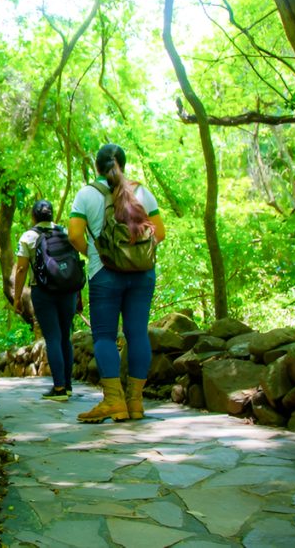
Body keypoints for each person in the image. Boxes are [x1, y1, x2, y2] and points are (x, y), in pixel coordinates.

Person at [67, 144, 166, 423]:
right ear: (124, 163)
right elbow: (160, 232)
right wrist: (134, 253)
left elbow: (75, 235)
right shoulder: (142, 192)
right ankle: (135, 403)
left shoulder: (88, 194)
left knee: (104, 337)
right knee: (137, 334)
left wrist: (96, 253)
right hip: (143, 274)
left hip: (105, 275)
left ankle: (114, 401)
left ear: (97, 167)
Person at [13, 199, 79, 402]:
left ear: (33, 216)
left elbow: (22, 269)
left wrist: (17, 298)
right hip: (68, 291)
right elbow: (76, 265)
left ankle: (58, 389)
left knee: (52, 337)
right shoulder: (65, 233)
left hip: (43, 292)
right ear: (51, 215)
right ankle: (67, 386)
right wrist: (78, 296)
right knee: (65, 337)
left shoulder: (28, 237)